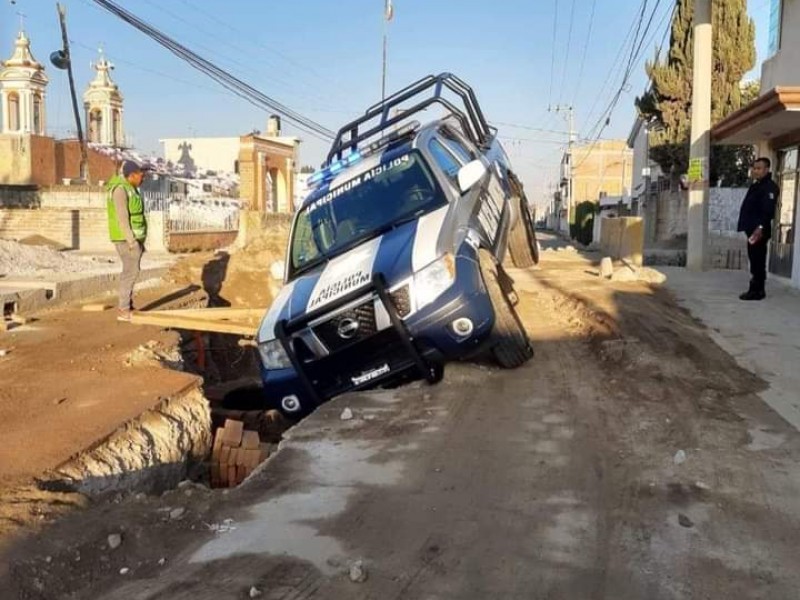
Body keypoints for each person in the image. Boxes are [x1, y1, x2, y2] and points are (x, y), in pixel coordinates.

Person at [106, 160, 150, 321]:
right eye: (141, 175)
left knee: (132, 271)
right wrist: (132, 242)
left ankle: (127, 306)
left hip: (133, 239)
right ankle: (123, 310)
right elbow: (122, 218)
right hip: (126, 240)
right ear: (131, 175)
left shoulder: (131, 189)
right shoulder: (120, 190)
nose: (143, 178)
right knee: (130, 272)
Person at [737, 157, 779, 301]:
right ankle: (755, 289)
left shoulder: (769, 187)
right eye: (754, 168)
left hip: (759, 230)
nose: (755, 171)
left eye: (759, 168)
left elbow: (768, 211)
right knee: (754, 258)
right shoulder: (757, 185)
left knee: (758, 259)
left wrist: (760, 227)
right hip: (752, 229)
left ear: (766, 169)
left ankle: (757, 291)